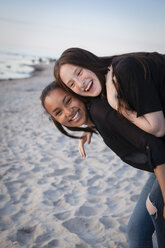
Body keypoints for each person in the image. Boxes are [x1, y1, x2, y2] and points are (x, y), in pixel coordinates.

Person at [40, 81, 165, 247]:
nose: (68, 112)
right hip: (157, 167)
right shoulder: (95, 115)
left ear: (77, 94)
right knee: (136, 232)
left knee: (156, 207)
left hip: (162, 160)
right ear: (55, 120)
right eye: (58, 112)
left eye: (68, 101)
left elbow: (154, 146)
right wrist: (87, 128)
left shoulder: (100, 113)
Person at [53, 47, 165, 212]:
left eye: (79, 73)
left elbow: (157, 128)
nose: (81, 84)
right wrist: (88, 127)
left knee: (153, 208)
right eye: (72, 84)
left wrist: (117, 105)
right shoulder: (103, 85)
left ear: (89, 62)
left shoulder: (124, 70)